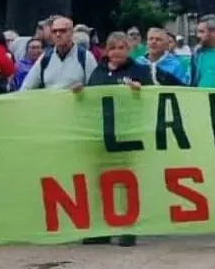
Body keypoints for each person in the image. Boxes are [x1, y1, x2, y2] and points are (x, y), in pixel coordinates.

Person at [84, 31, 155, 248]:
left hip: (129, 134)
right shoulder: (98, 71)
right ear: (107, 50)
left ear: (129, 49)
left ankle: (128, 228)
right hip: (102, 133)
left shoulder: (139, 71)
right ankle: (101, 229)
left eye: (121, 47)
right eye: (112, 47)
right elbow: (89, 98)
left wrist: (140, 91)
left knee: (127, 182)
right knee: (101, 181)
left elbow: (155, 98)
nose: (116, 52)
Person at [20, 17, 98, 91]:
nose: (58, 34)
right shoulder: (45, 57)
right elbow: (26, 87)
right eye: (54, 31)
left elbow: (96, 88)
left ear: (71, 33)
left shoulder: (85, 57)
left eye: (62, 31)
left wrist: (83, 90)